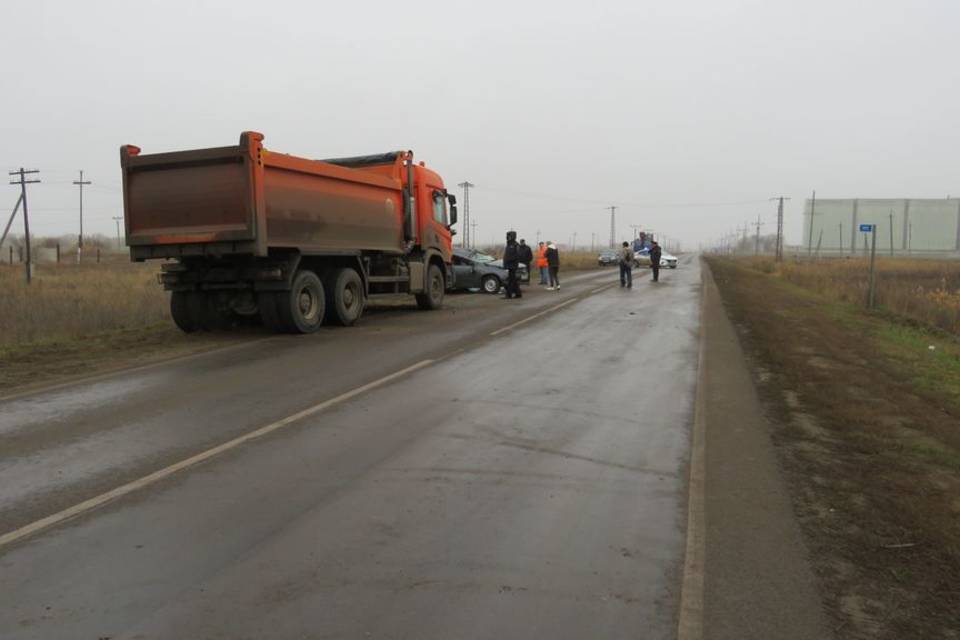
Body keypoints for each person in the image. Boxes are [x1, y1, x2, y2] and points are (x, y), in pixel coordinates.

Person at [502, 230, 522, 299]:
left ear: (513, 237)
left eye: (509, 236)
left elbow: (518, 255)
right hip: (509, 265)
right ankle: (518, 294)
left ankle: (509, 295)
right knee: (513, 280)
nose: (508, 237)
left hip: (513, 265)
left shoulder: (516, 245)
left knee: (511, 280)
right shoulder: (508, 244)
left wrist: (510, 260)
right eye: (508, 236)